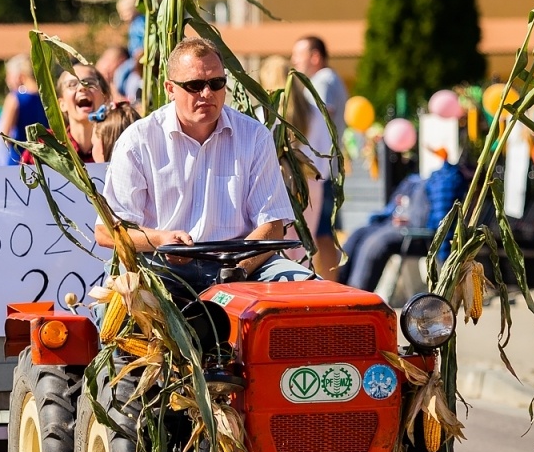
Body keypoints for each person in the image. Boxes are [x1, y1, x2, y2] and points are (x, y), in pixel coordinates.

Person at [98, 37, 309, 282]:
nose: (207, 93)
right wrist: (161, 239)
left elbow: (272, 224)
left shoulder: (254, 136)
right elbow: (106, 231)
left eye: (217, 83)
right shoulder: (138, 139)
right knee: (122, 287)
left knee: (303, 288)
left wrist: (238, 269)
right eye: (195, 85)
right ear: (170, 89)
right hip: (160, 264)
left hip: (240, 262)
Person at [337, 148, 469, 292]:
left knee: (377, 243)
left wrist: (446, 259)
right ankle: (339, 286)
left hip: (421, 236)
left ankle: (358, 293)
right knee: (359, 233)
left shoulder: (449, 180)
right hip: (400, 226)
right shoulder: (416, 181)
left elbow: (443, 222)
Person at [291, 35, 349, 279]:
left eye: (299, 55)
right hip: (327, 168)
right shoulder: (332, 79)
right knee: (325, 232)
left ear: (315, 57)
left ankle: (329, 284)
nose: (294, 61)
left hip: (320, 170)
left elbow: (319, 114)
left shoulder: (322, 81)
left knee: (322, 233)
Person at [0, 53, 47, 165]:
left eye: (8, 75)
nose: (7, 80)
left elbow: (4, 135)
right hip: (46, 158)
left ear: (20, 76)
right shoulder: (47, 97)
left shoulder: (15, 98)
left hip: (20, 159)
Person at [54, 63, 111, 161]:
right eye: (72, 84)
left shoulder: (119, 145)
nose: (82, 87)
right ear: (62, 104)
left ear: (105, 98)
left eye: (90, 82)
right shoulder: (46, 146)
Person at [111, 0, 146, 104]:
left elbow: (145, 36)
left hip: (138, 57)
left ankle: (121, 93)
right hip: (136, 56)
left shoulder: (139, 23)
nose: (122, 17)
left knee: (120, 73)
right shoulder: (135, 24)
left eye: (124, 13)